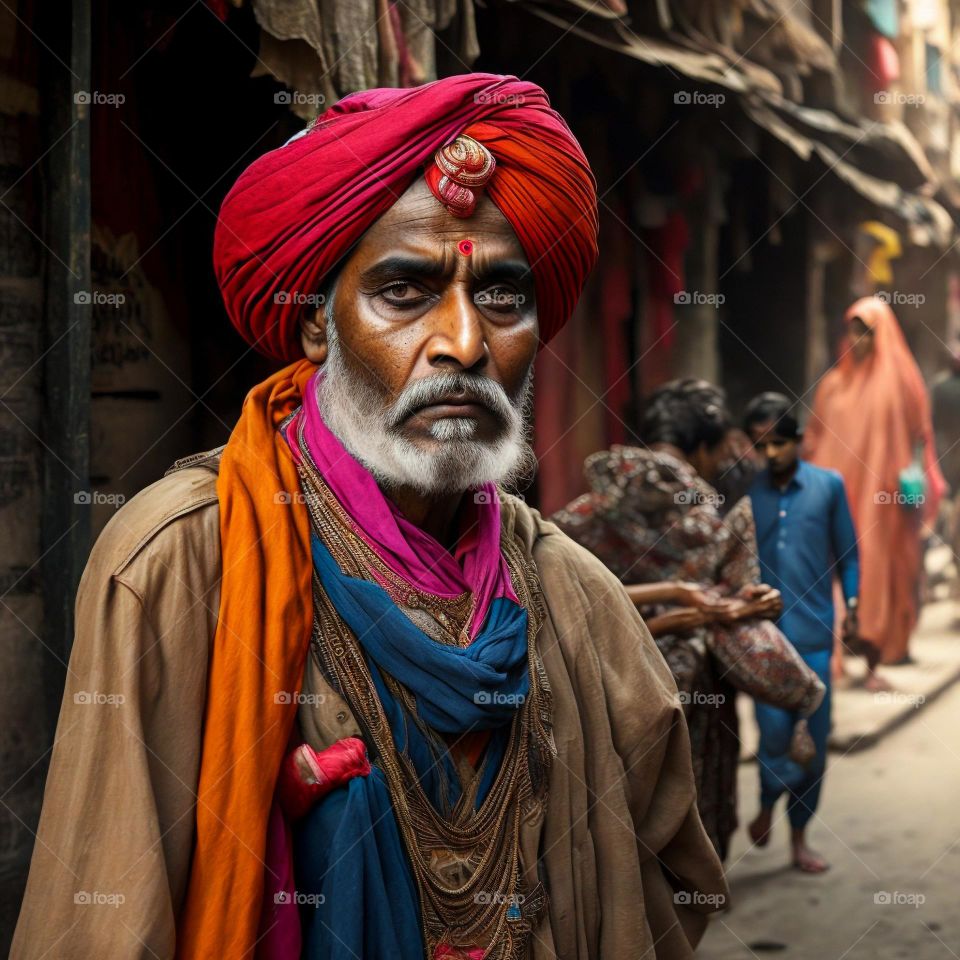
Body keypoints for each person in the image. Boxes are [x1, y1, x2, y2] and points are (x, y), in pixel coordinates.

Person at [13, 75, 728, 960]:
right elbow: (102, 925)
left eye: (503, 297)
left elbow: (667, 902)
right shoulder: (179, 564)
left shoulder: (577, 598)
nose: (464, 343)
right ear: (318, 325)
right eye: (405, 292)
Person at [552, 379, 825, 862]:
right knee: (690, 794)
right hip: (693, 691)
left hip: (606, 688)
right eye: (717, 451)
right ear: (700, 447)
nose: (721, 463)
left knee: (616, 813)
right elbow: (735, 598)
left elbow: (560, 596)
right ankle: (690, 895)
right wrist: (744, 605)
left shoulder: (584, 512)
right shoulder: (705, 519)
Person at [744, 392, 860, 873]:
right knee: (772, 735)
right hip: (764, 640)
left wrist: (851, 604)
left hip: (814, 635)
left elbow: (848, 554)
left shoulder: (828, 487)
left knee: (812, 740)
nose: (770, 455)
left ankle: (798, 837)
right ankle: (770, 800)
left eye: (778, 444)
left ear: (799, 441)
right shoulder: (749, 493)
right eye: (760, 446)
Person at [805, 297, 946, 666]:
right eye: (853, 331)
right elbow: (816, 438)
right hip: (838, 495)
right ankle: (838, 643)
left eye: (866, 332)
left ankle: (878, 643)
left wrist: (916, 485)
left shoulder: (903, 384)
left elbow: (921, 436)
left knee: (882, 564)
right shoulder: (833, 385)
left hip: (886, 498)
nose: (858, 341)